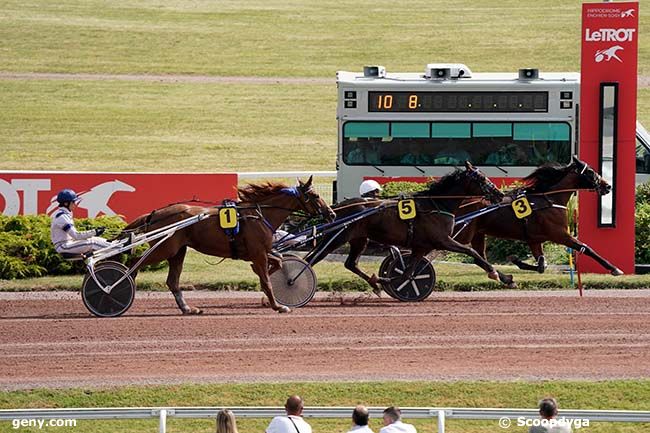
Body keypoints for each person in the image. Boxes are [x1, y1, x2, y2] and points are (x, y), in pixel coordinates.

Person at [50, 189, 114, 255]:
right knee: (92, 242)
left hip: (68, 244)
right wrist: (94, 232)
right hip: (63, 246)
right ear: (66, 203)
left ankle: (114, 244)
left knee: (94, 238)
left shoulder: (64, 214)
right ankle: (116, 248)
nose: (75, 204)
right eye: (73, 202)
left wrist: (94, 232)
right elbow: (76, 235)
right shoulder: (62, 217)